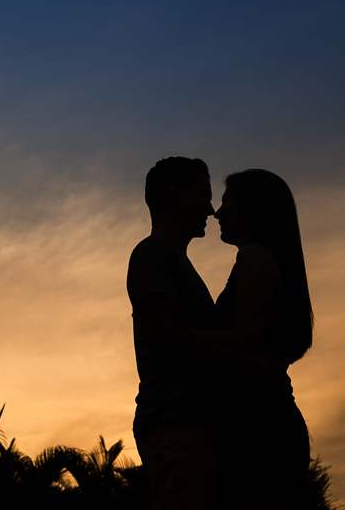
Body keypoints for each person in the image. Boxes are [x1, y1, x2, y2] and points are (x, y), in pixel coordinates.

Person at [207, 169, 312, 509]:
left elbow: (246, 338)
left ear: (253, 207)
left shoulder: (254, 256)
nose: (217, 212)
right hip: (266, 423)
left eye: (227, 202)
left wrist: (175, 334)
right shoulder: (269, 260)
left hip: (260, 428)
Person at [127, 157, 218, 510]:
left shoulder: (173, 258)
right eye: (203, 196)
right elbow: (161, 331)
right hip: (176, 423)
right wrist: (244, 356)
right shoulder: (155, 251)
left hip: (188, 424)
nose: (210, 209)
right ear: (174, 194)